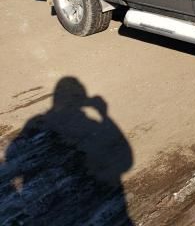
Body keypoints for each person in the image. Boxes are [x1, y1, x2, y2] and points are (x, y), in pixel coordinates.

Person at [0, 77, 133, 225]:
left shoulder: (37, 124)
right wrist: (104, 115)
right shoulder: (88, 123)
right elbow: (126, 161)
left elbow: (12, 160)